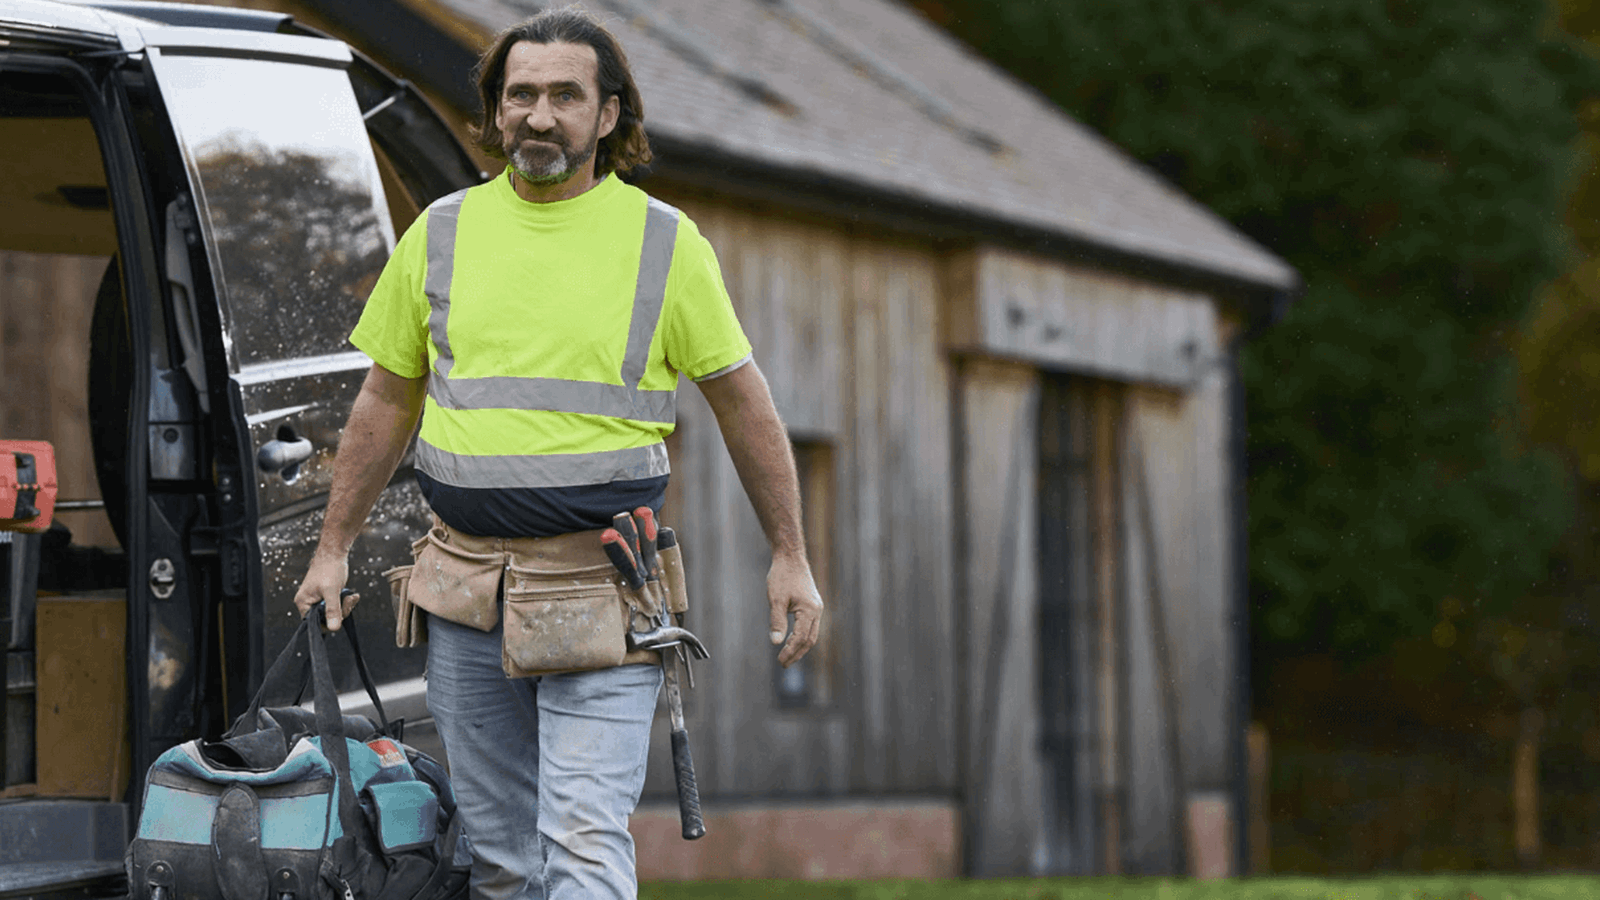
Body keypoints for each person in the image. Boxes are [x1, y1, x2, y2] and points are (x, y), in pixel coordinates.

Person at [291, 8, 824, 899]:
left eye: (565, 96)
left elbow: (743, 403)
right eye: (521, 95)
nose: (540, 116)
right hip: (464, 589)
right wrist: (334, 545)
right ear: (497, 113)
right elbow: (386, 399)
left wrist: (791, 555)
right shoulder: (443, 232)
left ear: (608, 115)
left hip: (605, 589)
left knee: (580, 841)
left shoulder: (664, 243)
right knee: (500, 860)